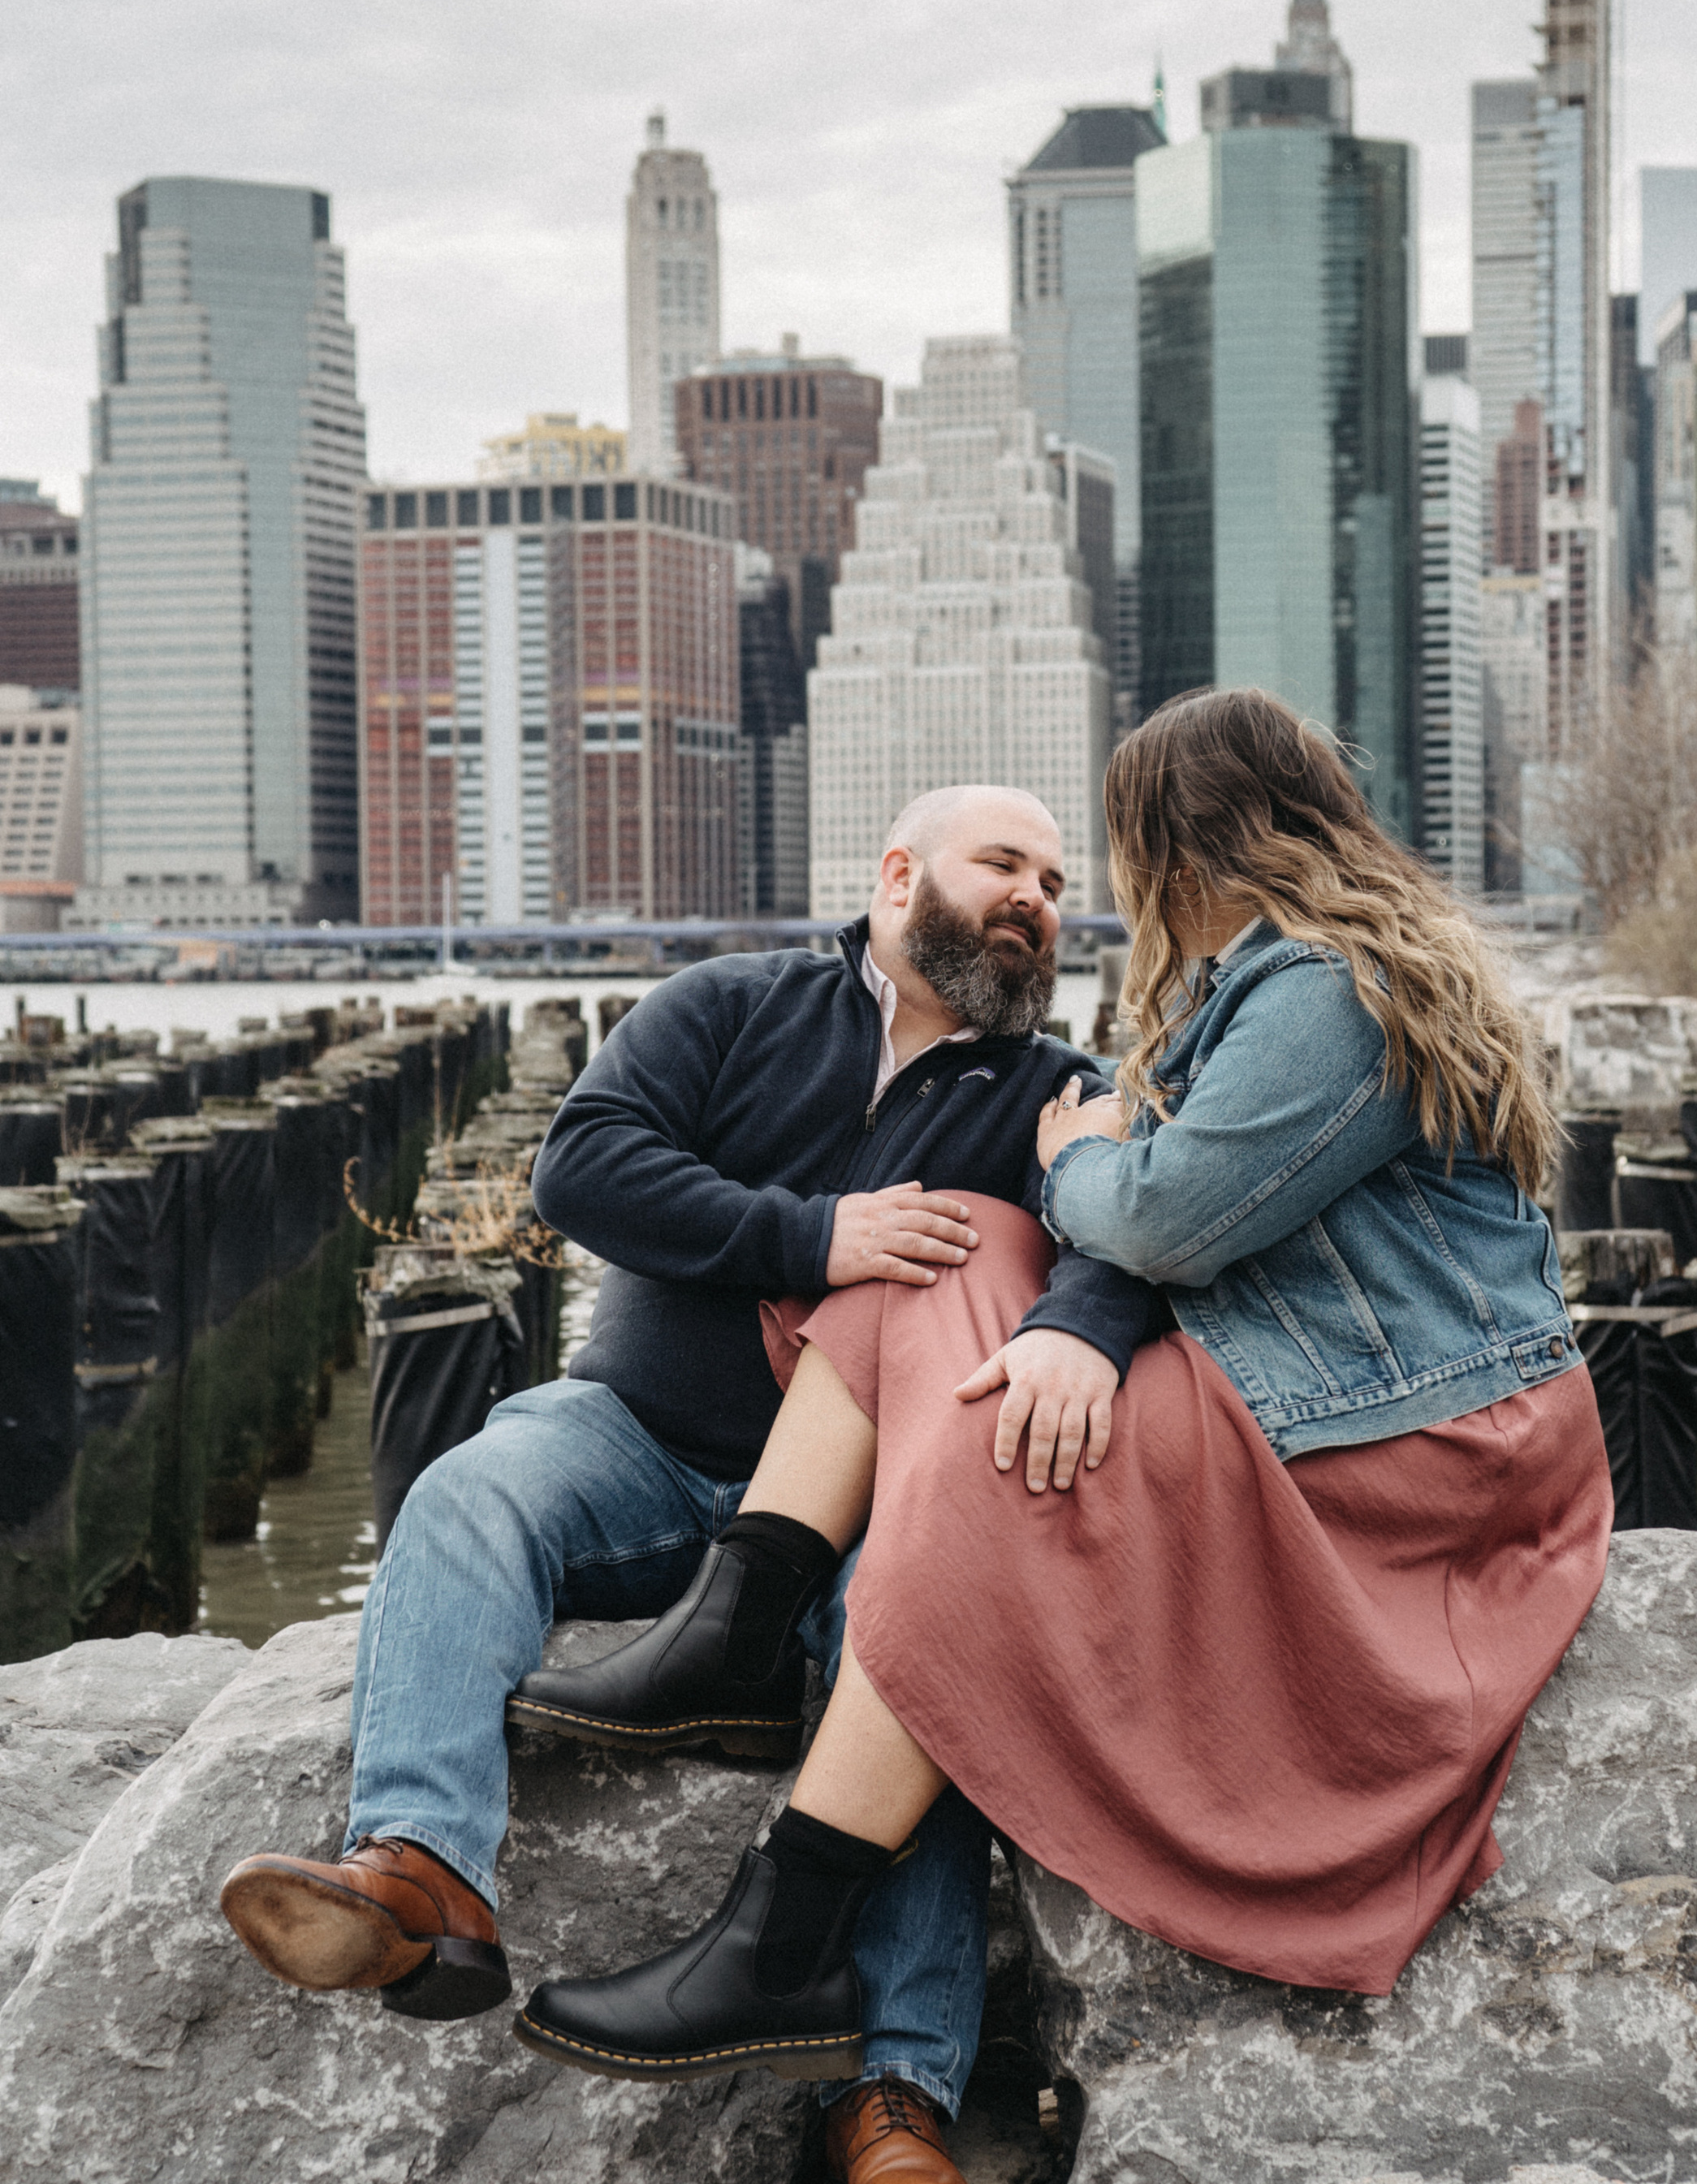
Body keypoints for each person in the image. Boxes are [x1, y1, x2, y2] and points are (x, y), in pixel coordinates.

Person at [515, 687, 1613, 2087]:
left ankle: (783, 1928)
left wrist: (1080, 1152)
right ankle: (740, 1624)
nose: (1099, 890)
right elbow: (1153, 1221)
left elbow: (1157, 1220)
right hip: (1326, 1391)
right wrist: (1071, 1302)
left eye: (1111, 850)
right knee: (940, 1253)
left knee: (993, 1471)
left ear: (1183, 840)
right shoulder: (1271, 983)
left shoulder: (1336, 988)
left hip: (1424, 1443)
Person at [218, 785, 1156, 2184]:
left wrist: (1082, 1327)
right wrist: (814, 1235)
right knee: (470, 1493)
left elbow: (1122, 1236)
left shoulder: (1055, 1086)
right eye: (1002, 864)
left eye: (1053, 877)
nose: (1038, 895)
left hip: (869, 1499)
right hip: (647, 1443)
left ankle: (894, 2089)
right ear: (899, 871)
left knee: (913, 1650)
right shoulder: (732, 1004)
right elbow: (583, 1164)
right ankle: (417, 1877)